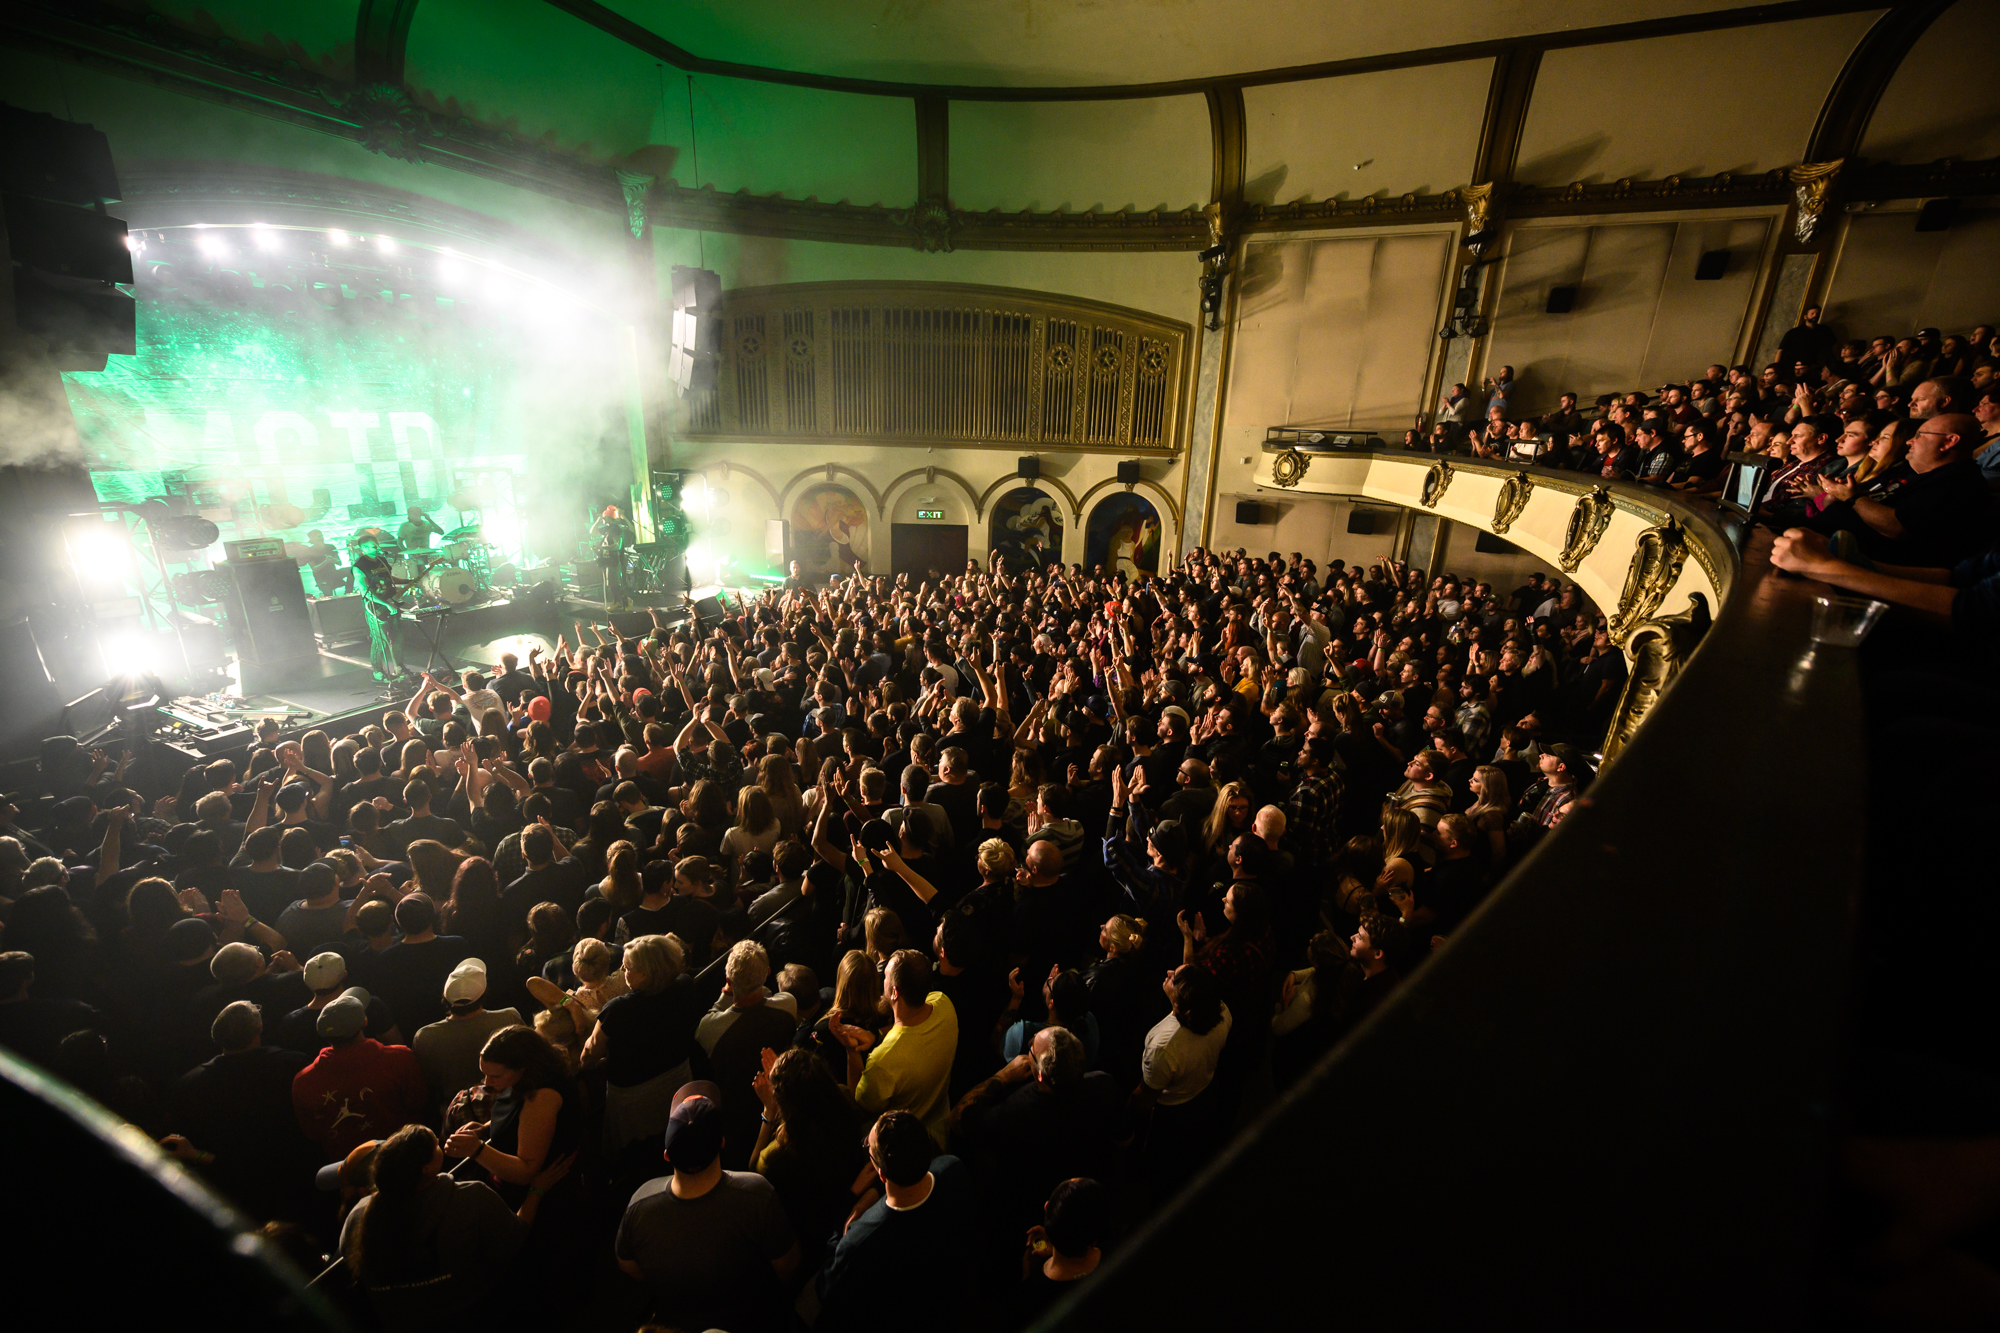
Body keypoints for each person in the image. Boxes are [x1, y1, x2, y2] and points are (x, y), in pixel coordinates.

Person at [339, 1122, 569, 1333]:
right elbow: (514, 1240)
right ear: (426, 1169)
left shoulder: (359, 1216)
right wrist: (536, 1191)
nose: (441, 1146)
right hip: (476, 1317)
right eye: (436, 1146)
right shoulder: (470, 1198)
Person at [614, 1087, 800, 1333]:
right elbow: (788, 1267)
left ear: (667, 1155)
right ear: (721, 1144)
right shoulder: (758, 1195)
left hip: (674, 1324)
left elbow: (626, 1264)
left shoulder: (640, 1203)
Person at [815, 1109, 975, 1333]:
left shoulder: (859, 1241)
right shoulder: (952, 1167)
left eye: (868, 1149)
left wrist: (850, 1200)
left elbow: (826, 1289)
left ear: (881, 1173)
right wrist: (876, 1193)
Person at [833, 949, 959, 1148]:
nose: (882, 980)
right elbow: (911, 1025)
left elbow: (860, 1106)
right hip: (941, 1119)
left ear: (894, 992)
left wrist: (852, 1051)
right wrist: (877, 1036)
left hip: (905, 1143)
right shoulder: (944, 1003)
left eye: (885, 977)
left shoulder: (883, 1061)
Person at [291, 990, 427, 1160]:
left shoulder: (303, 1081)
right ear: (365, 1021)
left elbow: (311, 1132)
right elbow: (418, 1103)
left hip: (345, 1168)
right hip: (405, 1155)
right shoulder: (400, 1058)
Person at [412, 959, 523, 1109]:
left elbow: (427, 1086)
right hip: (509, 1106)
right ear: (484, 992)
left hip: (453, 1112)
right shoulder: (509, 1018)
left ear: (445, 996)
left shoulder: (425, 1037)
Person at [352, 531, 413, 682]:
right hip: (375, 607)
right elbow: (365, 592)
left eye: (377, 544)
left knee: (396, 638)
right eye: (373, 546)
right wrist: (386, 604)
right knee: (380, 640)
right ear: (363, 549)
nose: (376, 547)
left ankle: (399, 667)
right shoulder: (359, 567)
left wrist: (406, 581)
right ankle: (378, 672)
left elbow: (388, 577)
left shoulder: (382, 560)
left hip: (392, 602)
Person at [590, 504, 636, 608]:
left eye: (604, 518)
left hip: (615, 560)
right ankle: (620, 601)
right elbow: (592, 532)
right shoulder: (607, 529)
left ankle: (622, 602)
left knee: (614, 582)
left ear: (608, 518)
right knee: (610, 583)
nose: (602, 519)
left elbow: (617, 546)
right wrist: (597, 522)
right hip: (607, 559)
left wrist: (601, 548)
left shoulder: (615, 529)